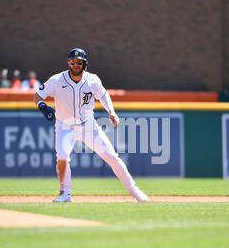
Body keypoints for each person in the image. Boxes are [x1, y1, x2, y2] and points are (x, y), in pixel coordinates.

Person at [34, 47, 148, 203]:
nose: (75, 65)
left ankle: (134, 191)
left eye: (79, 62)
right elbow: (38, 95)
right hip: (64, 126)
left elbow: (103, 95)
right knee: (62, 157)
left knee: (112, 157)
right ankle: (65, 194)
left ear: (84, 64)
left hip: (88, 126)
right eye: (72, 62)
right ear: (69, 63)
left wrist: (111, 112)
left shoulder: (93, 79)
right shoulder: (57, 80)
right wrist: (42, 106)